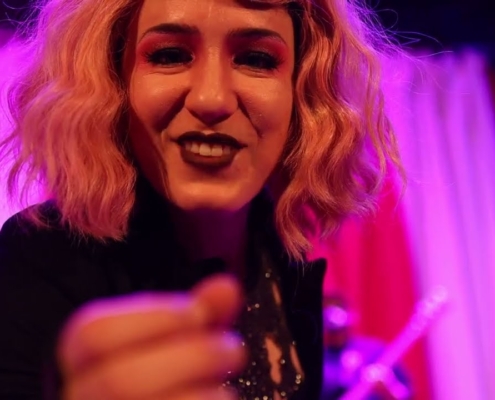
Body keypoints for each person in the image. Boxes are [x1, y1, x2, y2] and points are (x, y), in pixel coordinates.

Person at [0, 0, 402, 399]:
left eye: (257, 59)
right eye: (170, 55)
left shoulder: (286, 267)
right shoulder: (39, 260)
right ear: (115, 78)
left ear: (302, 92)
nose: (212, 99)